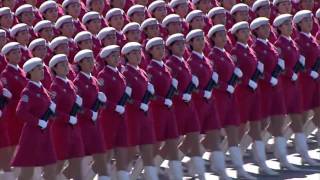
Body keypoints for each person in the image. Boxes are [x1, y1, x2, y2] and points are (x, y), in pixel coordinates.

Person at [165, 34, 211, 179]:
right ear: (171, 47)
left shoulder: (184, 61)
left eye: (182, 44)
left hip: (189, 105)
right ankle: (166, 168)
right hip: (178, 106)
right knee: (174, 142)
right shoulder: (170, 64)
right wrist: (180, 95)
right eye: (177, 44)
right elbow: (170, 88)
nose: (181, 47)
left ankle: (199, 174)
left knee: (194, 137)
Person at [250, 17, 287, 175]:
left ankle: (282, 157)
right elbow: (257, 70)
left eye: (267, 26)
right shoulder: (256, 47)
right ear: (256, 31)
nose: (267, 29)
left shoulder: (270, 45)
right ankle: (260, 161)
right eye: (263, 27)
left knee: (279, 122)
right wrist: (267, 77)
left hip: (276, 89)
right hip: (263, 90)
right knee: (261, 125)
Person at [12, 58, 58, 180]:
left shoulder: (42, 89)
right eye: (39, 69)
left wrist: (52, 111)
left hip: (46, 134)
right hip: (32, 135)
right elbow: (20, 112)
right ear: (30, 72)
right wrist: (38, 121)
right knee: (27, 172)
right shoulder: (28, 91)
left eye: (42, 68)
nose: (42, 71)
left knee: (50, 168)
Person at [230, 22, 264, 179]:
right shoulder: (235, 51)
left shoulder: (249, 49)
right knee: (241, 128)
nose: (247, 34)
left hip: (254, 91)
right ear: (236, 33)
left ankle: (261, 162)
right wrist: (246, 81)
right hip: (242, 93)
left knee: (257, 126)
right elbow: (235, 74)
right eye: (243, 31)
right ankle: (236, 163)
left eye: (247, 31)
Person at [122, 42, 160, 180]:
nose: (138, 56)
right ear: (126, 56)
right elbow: (126, 99)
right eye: (134, 53)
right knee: (131, 152)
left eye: (139, 52)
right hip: (132, 117)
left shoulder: (142, 71)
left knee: (148, 151)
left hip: (145, 116)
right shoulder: (125, 73)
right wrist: (139, 104)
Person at [73, 50, 109, 179]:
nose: (91, 63)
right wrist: (89, 113)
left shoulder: (94, 79)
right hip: (84, 126)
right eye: (87, 61)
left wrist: (103, 102)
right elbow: (77, 107)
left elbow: (102, 105)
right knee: (86, 160)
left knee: (101, 159)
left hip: (96, 125)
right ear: (80, 64)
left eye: (92, 60)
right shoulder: (77, 83)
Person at [49, 54, 85, 179]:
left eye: (66, 64)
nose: (66, 67)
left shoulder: (70, 83)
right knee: (59, 162)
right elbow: (53, 112)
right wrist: (67, 118)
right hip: (61, 129)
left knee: (77, 160)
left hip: (74, 128)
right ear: (55, 68)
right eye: (62, 65)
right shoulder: (55, 86)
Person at [97, 45, 131, 180]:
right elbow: (102, 99)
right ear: (105, 58)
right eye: (113, 56)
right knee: (107, 155)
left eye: (117, 55)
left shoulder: (120, 73)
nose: (117, 58)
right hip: (108, 119)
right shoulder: (103, 75)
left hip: (122, 118)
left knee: (122, 154)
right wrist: (115, 107)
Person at [292, 10, 320, 165]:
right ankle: (301, 152)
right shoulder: (299, 41)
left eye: (310, 20)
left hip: (315, 81)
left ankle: (301, 148)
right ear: (299, 24)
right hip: (304, 82)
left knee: (317, 113)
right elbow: (300, 64)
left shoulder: (312, 39)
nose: (310, 23)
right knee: (301, 117)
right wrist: (311, 73)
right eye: (306, 21)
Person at [0, 42, 28, 153]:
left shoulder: (22, 71)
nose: (18, 55)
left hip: (25, 113)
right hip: (14, 115)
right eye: (14, 53)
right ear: (7, 56)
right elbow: (8, 98)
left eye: (19, 52)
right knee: (16, 145)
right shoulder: (6, 74)